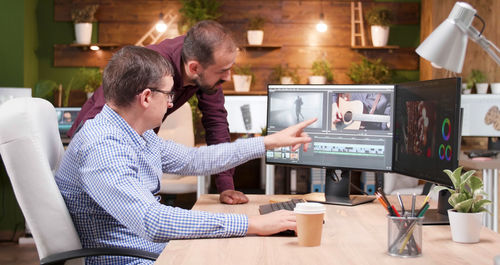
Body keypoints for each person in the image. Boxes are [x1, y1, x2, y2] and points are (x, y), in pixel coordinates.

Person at [55, 46, 316, 264]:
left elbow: (195, 160)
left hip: (150, 248)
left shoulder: (136, 134)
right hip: (131, 257)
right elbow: (153, 221)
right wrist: (252, 224)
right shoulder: (102, 146)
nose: (171, 103)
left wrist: (268, 142)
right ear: (146, 97)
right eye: (168, 94)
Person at [68, 20, 248, 205]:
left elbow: (215, 122)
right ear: (194, 68)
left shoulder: (206, 67)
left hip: (136, 145)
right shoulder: (152, 67)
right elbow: (108, 111)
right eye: (223, 71)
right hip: (101, 145)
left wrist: (226, 185)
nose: (228, 77)